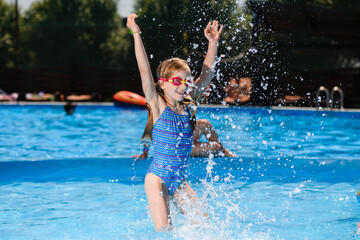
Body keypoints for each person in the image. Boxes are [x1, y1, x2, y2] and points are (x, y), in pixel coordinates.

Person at [127, 13, 223, 231]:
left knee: (204, 227)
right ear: (163, 84)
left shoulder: (189, 104)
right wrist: (136, 34)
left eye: (187, 80)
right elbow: (144, 69)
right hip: (157, 179)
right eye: (177, 81)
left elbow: (206, 74)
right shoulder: (158, 104)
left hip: (179, 181)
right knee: (165, 230)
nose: (184, 86)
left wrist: (213, 44)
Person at [132, 118, 237, 160]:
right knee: (215, 147)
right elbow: (149, 132)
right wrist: (145, 153)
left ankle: (224, 151)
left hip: (187, 138)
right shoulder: (159, 112)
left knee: (204, 123)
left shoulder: (179, 103)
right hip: (179, 149)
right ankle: (220, 149)